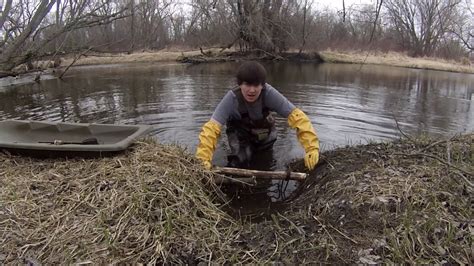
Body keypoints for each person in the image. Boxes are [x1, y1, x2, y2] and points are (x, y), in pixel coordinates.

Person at [195, 61, 319, 171]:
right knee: (240, 160)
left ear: (262, 85)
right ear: (240, 84)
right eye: (247, 85)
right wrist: (202, 160)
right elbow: (211, 129)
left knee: (265, 161)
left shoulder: (270, 94)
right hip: (240, 134)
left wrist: (312, 148)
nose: (252, 90)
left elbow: (298, 118)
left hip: (264, 133)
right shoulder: (231, 99)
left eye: (256, 85)